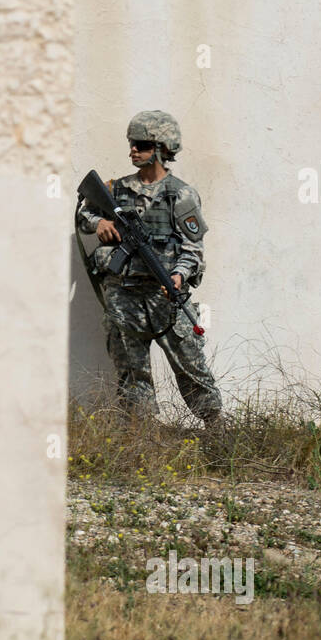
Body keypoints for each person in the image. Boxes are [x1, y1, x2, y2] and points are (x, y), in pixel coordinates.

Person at [76, 110, 222, 425]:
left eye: (141, 144)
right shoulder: (115, 188)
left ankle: (216, 429)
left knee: (192, 367)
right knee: (132, 373)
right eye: (131, 144)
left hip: (164, 297)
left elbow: (193, 249)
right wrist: (100, 221)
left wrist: (179, 275)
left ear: (161, 148)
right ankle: (141, 437)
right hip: (124, 297)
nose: (133, 150)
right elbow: (82, 215)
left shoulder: (180, 194)